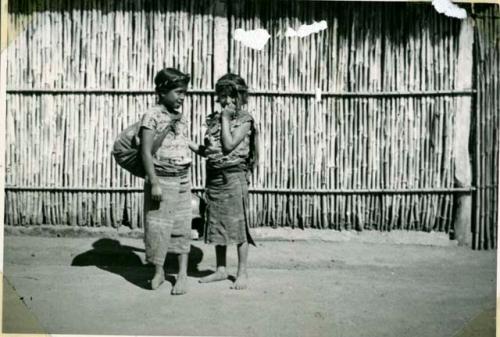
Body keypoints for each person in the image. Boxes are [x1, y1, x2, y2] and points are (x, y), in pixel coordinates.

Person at [194, 73, 258, 290]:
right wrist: (191, 146)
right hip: (214, 177)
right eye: (223, 97)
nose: (228, 102)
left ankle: (242, 272)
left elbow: (229, 146)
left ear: (242, 97)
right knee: (217, 223)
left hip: (233, 177)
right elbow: (213, 150)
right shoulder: (214, 119)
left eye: (233, 97)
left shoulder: (244, 120)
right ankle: (221, 269)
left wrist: (224, 118)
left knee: (238, 226)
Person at [140, 67, 192, 294]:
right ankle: (159, 272)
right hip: (161, 178)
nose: (182, 97)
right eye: (178, 92)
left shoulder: (179, 116)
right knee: (158, 228)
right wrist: (154, 182)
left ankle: (182, 275)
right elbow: (145, 151)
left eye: (184, 93)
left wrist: (202, 150)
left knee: (182, 226)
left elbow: (183, 142)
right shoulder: (152, 115)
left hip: (183, 177)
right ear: (162, 92)